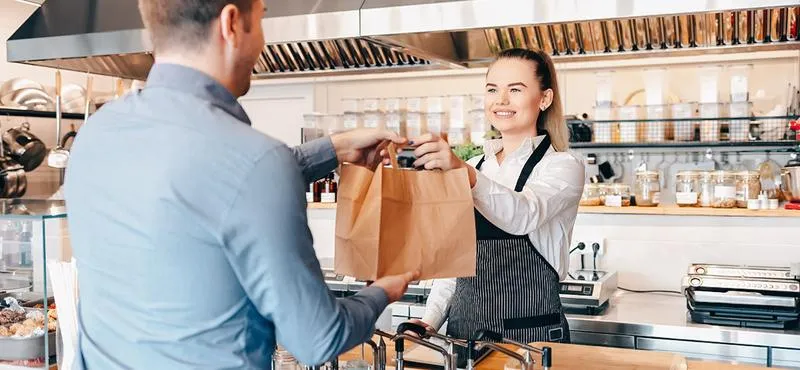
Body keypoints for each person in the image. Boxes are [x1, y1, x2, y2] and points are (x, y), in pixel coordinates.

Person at [64, 0, 418, 368]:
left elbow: (215, 186)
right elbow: (320, 337)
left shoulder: (96, 134)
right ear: (231, 23)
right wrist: (382, 291)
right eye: (262, 21)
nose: (264, 44)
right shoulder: (255, 162)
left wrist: (334, 147)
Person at [407, 48, 585, 353]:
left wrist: (461, 173)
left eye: (515, 89)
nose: (501, 100)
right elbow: (455, 262)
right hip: (463, 338)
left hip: (529, 341)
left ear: (544, 99)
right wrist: (430, 320)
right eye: (492, 89)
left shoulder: (563, 166)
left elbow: (522, 214)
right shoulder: (475, 166)